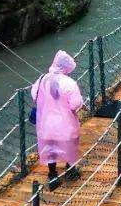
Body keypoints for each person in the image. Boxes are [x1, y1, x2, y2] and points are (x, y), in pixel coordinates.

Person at [32, 50, 83, 189]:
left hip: (46, 123)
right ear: (66, 67)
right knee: (71, 145)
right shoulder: (69, 82)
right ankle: (70, 170)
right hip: (66, 123)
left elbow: (34, 95)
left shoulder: (42, 79)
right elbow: (75, 103)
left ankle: (52, 174)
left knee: (50, 148)